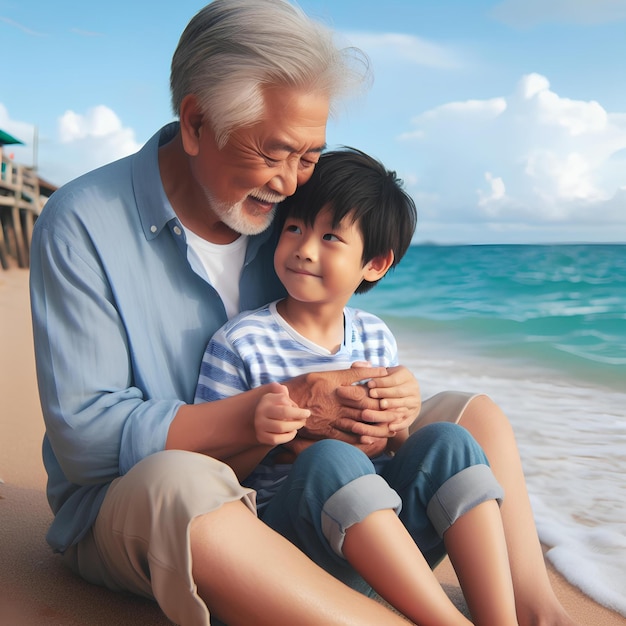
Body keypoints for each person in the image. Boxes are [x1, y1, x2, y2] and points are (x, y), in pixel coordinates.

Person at [28, 1, 577, 625]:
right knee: (179, 484)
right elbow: (87, 439)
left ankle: (533, 609)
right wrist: (282, 410)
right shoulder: (82, 223)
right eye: (276, 153)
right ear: (196, 122)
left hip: (309, 488)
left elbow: (334, 344)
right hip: (144, 503)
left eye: (310, 156)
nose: (292, 183)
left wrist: (386, 403)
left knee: (471, 418)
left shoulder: (286, 225)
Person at [195, 147, 521, 625]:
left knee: (450, 441)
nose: (305, 247)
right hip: (289, 556)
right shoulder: (241, 342)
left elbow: (398, 451)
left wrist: (399, 420)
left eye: (331, 236)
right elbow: (208, 477)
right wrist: (263, 433)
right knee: (331, 457)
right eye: (295, 228)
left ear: (375, 264)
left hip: (384, 555)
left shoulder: (373, 336)